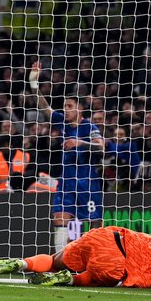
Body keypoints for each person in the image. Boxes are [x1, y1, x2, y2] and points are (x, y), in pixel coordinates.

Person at [29, 61, 105, 252]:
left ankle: (99, 259)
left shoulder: (90, 127)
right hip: (66, 182)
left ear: (79, 109)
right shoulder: (62, 121)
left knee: (95, 225)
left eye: (69, 106)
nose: (65, 109)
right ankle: (60, 263)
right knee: (59, 219)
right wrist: (33, 82)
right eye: (64, 106)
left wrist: (80, 143)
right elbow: (44, 106)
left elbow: (101, 148)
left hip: (88, 182)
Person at [0, 226, 151, 289]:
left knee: (54, 260)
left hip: (102, 237)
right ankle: (68, 280)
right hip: (114, 262)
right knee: (95, 277)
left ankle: (22, 263)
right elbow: (141, 282)